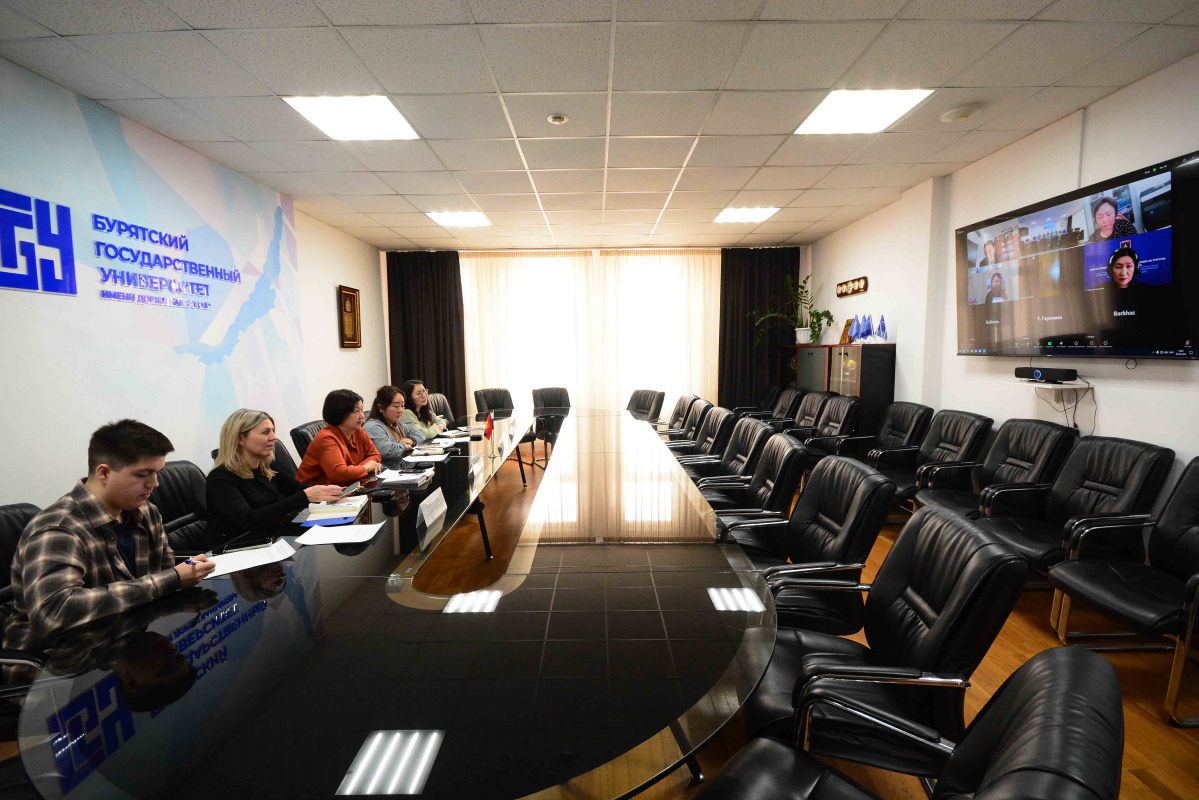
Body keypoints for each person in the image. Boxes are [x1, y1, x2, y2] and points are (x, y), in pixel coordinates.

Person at [2, 420, 216, 656]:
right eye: (143, 474)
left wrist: (181, 577)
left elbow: (163, 574)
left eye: (157, 473)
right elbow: (55, 612)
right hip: (57, 662)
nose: (155, 484)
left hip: (125, 639)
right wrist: (171, 579)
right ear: (103, 472)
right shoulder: (58, 529)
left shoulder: (146, 512)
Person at [206, 409, 342, 545]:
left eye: (273, 431)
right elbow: (246, 519)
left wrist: (331, 493)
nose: (274, 437)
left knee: (335, 529)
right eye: (266, 432)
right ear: (240, 439)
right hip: (237, 544)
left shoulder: (267, 466)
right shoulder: (219, 479)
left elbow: (297, 489)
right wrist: (305, 496)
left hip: (270, 533)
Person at [295, 389, 383, 485]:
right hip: (317, 492)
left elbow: (376, 455)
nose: (362, 416)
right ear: (340, 413)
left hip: (348, 486)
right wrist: (366, 467)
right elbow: (340, 474)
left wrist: (356, 470)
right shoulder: (327, 438)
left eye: (362, 410)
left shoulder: (358, 431)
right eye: (356, 411)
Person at [363, 385, 415, 468]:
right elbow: (387, 450)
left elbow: (419, 435)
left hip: (398, 467)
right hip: (383, 471)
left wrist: (412, 440)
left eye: (402, 406)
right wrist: (404, 446)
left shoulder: (396, 423)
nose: (400, 410)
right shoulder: (372, 427)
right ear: (381, 408)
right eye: (395, 406)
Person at [399, 379, 447, 444]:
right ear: (409, 397)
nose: (424, 396)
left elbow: (440, 421)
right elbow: (419, 433)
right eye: (419, 394)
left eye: (424, 391)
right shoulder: (406, 413)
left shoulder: (423, 410)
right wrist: (435, 430)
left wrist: (440, 426)